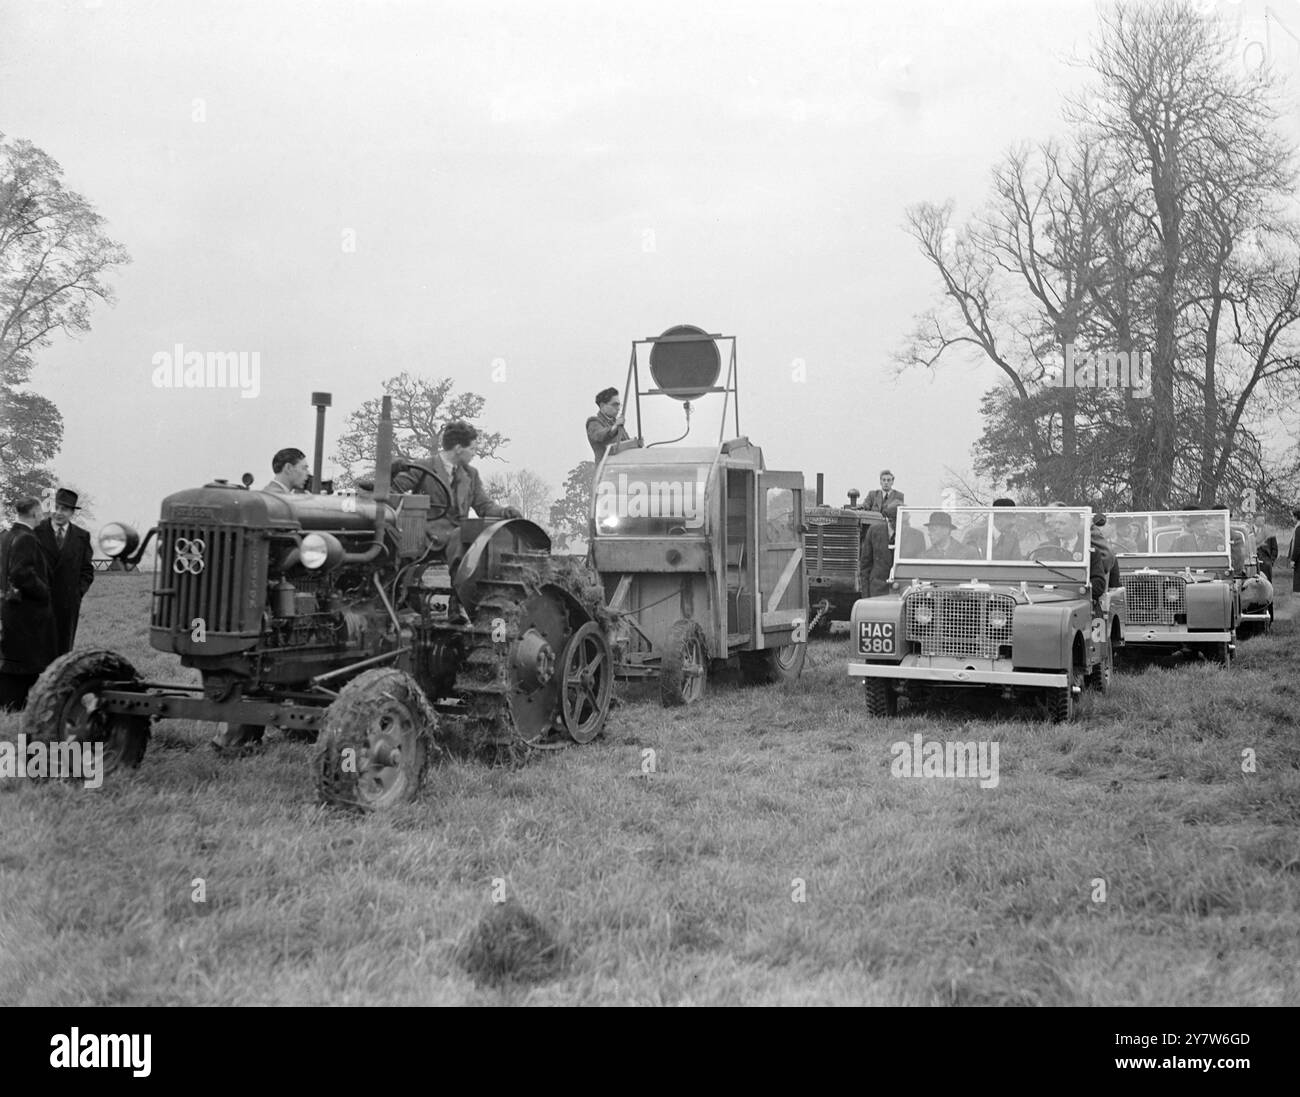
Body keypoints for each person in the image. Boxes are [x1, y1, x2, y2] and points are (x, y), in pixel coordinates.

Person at [390, 421, 523, 526]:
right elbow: (392, 490)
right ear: (458, 449)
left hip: (460, 536)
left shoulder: (471, 474)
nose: (474, 453)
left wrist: (504, 512)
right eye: (472, 449)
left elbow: (484, 506)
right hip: (427, 539)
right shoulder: (423, 467)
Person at [0, 498, 60, 711]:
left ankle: (8, 707)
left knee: (11, 660)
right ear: (34, 514)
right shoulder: (27, 538)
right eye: (41, 513)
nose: (43, 517)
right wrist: (44, 592)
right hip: (26, 612)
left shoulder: (5, 536)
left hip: (8, 609)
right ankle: (20, 708)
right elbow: (20, 573)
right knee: (26, 662)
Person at [34, 488, 95, 655]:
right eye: (57, 507)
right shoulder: (36, 532)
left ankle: (59, 680)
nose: (59, 513)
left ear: (72, 513)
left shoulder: (82, 537)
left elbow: (87, 570)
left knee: (62, 651)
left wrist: (77, 593)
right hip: (38, 602)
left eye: (65, 509)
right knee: (36, 650)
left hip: (67, 604)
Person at [586, 388, 629, 465]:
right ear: (602, 405)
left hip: (622, 470)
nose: (618, 408)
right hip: (606, 472)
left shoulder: (615, 423)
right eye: (615, 405)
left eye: (619, 405)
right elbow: (600, 435)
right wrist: (615, 426)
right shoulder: (593, 422)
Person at [859, 510, 894, 596]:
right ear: (890, 520)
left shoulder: (912, 535)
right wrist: (866, 596)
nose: (906, 523)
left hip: (900, 592)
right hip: (877, 592)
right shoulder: (874, 531)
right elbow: (865, 566)